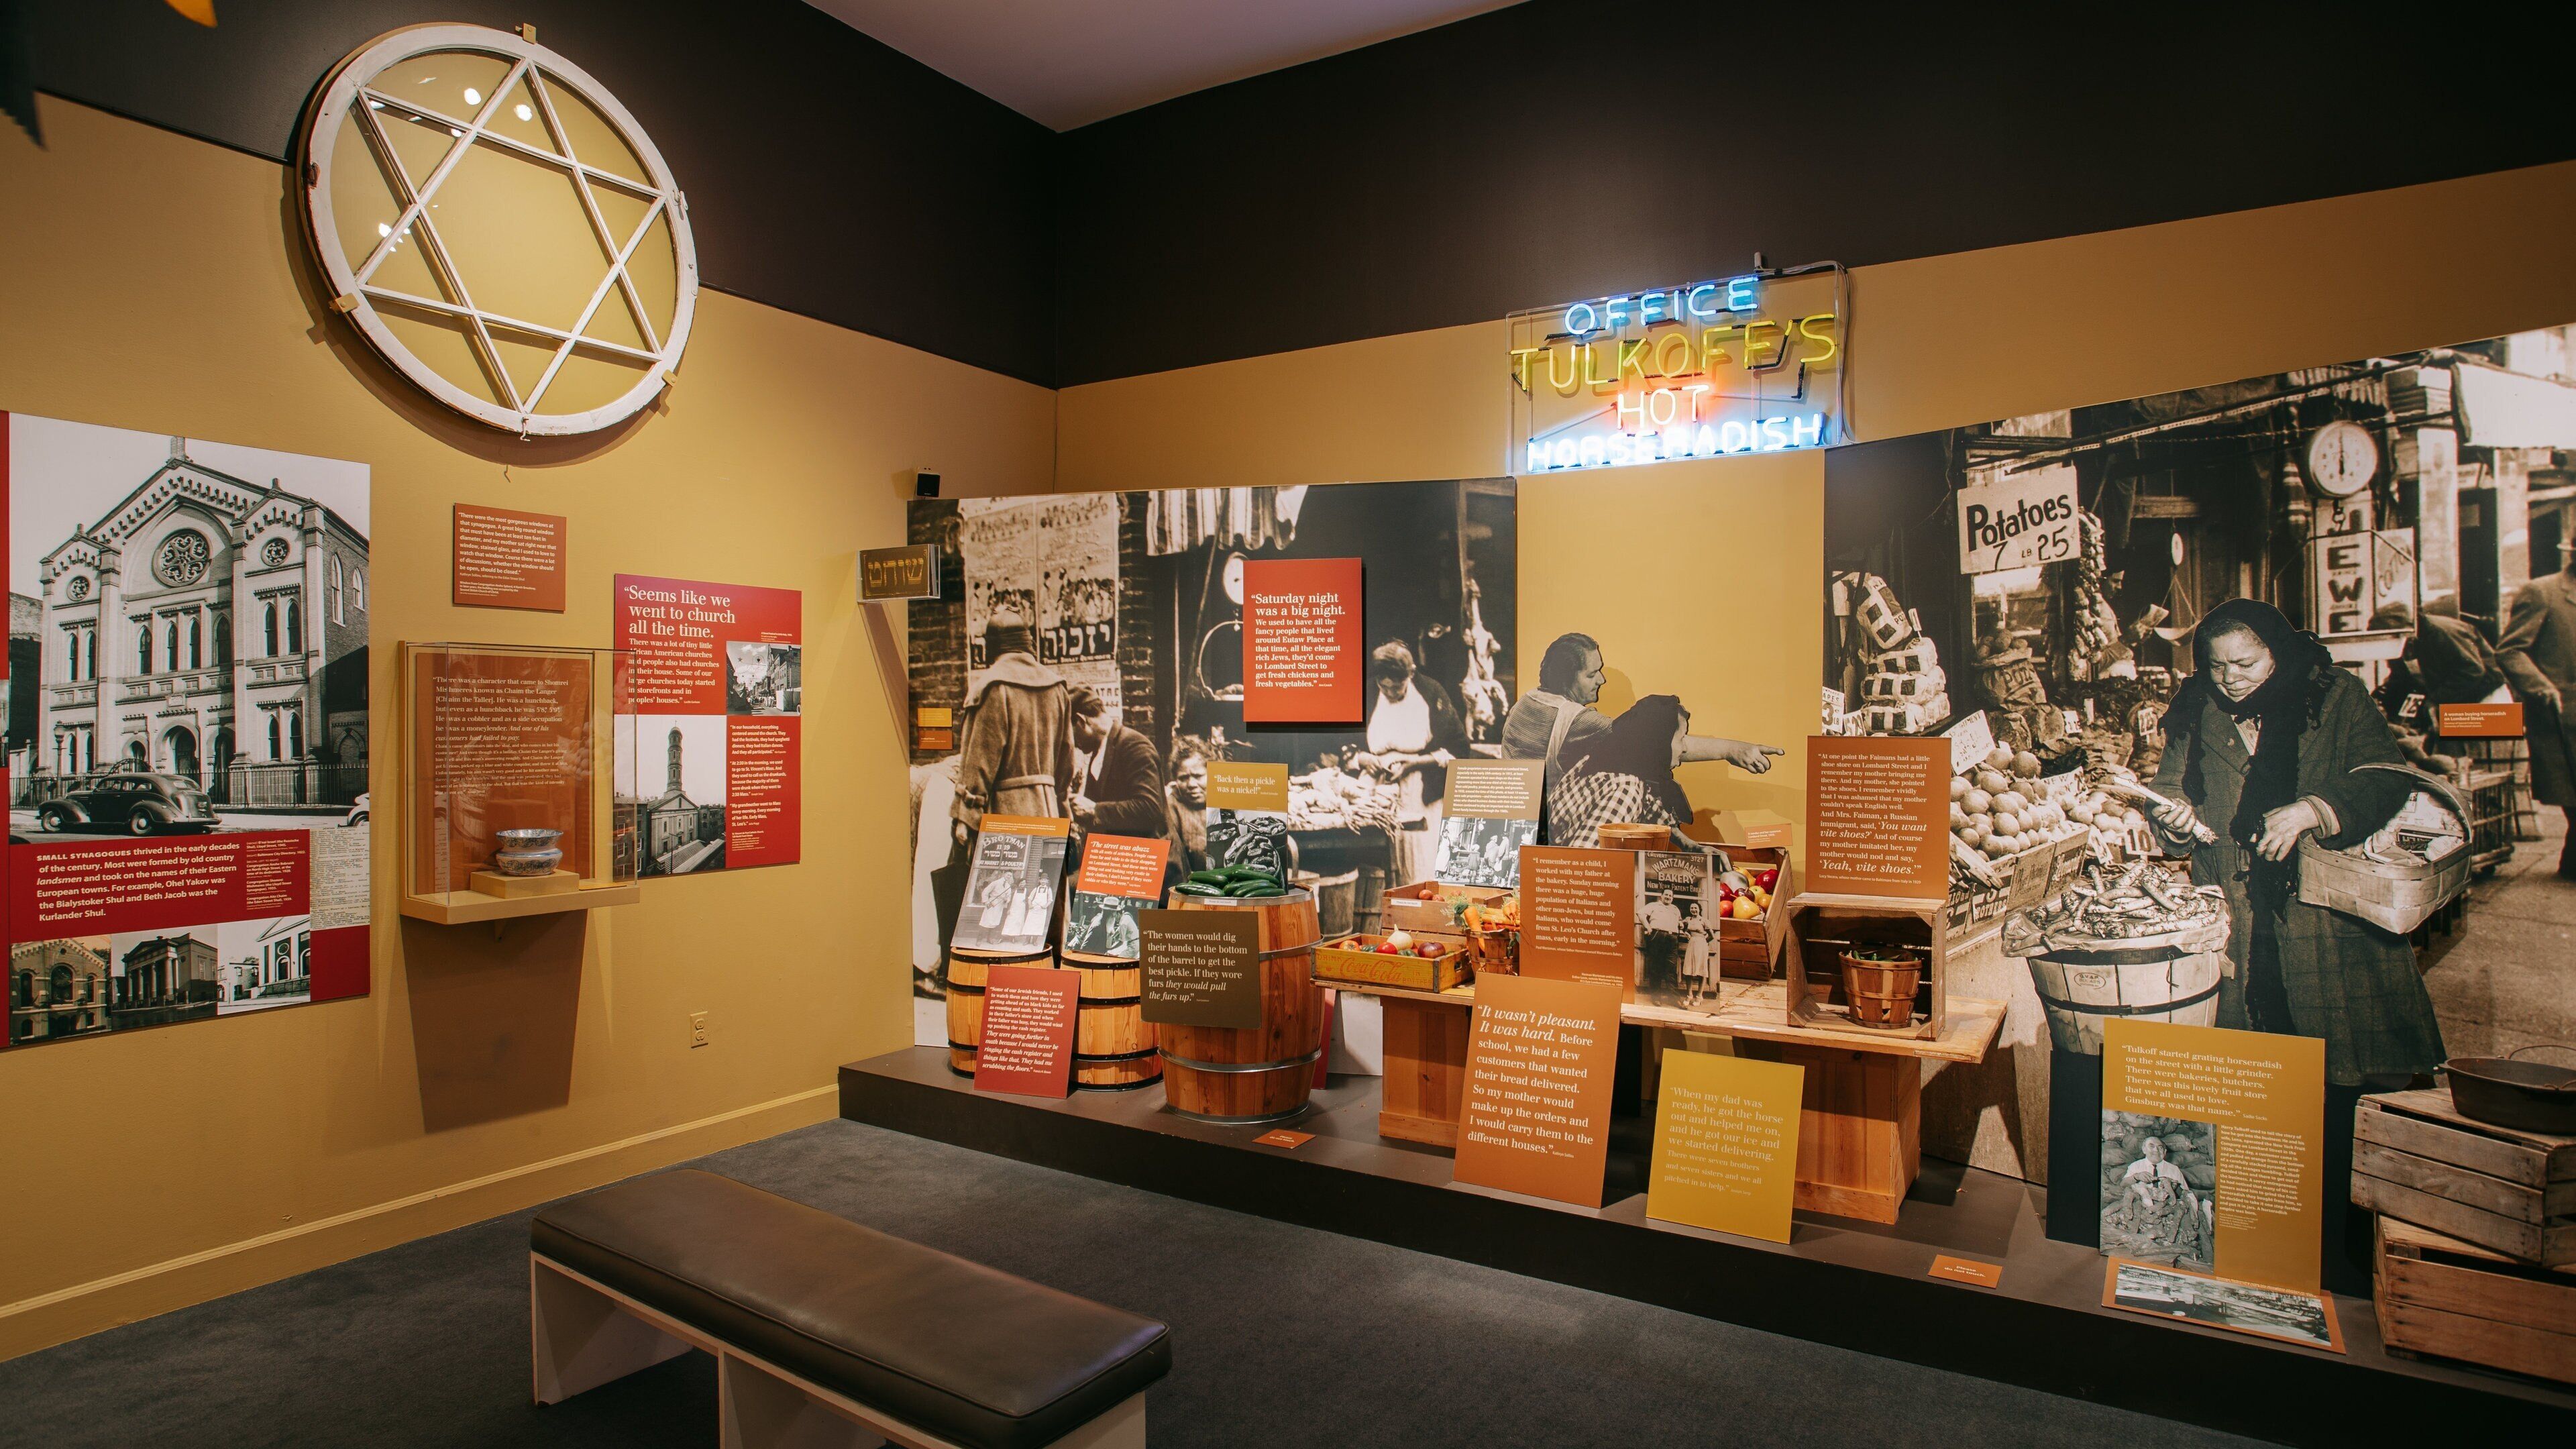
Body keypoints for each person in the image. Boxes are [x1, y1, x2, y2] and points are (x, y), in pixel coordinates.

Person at [2146, 598, 2446, 1084]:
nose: (2230, 678)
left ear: (2277, 651)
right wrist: (2173, 818)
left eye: (2245, 664)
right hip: (2234, 901)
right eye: (2217, 666)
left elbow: (2385, 776)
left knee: (2342, 1063)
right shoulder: (2196, 706)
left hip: (2324, 902)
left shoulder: (2332, 694)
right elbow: (2168, 786)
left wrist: (2314, 810)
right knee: (2253, 1073)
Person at [1503, 632, 1781, 796]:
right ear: (1567, 677)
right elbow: (1657, 743)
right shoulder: (1577, 721)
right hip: (1550, 838)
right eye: (1591, 674)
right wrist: (1733, 749)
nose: (1601, 680)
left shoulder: (1526, 702)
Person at [949, 606, 1075, 855]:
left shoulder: (992, 687)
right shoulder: (1057, 688)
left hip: (1004, 816)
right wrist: (1061, 806)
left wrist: (966, 816)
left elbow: (978, 760)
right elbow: (1067, 760)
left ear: (992, 646)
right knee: (1041, 879)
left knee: (1001, 880)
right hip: (1048, 811)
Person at [1360, 642, 1473, 883]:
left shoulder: (1431, 692)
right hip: (1376, 791)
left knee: (1420, 864)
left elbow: (1459, 748)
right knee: (1378, 871)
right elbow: (1341, 742)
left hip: (1421, 791)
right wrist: (1363, 758)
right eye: (1384, 687)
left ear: (1411, 674)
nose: (1390, 693)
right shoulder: (1367, 693)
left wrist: (1414, 763)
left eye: (1397, 687)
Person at [2497, 538, 2576, 877]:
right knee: (2571, 794)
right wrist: (2541, 686)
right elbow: (2510, 650)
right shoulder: (2543, 592)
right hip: (2562, 714)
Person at [1550, 695, 1705, 848]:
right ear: (1660, 743)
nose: (1685, 748)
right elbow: (1589, 859)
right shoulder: (1626, 788)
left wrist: (1687, 844)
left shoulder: (1604, 762)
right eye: (1681, 739)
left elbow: (1650, 808)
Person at [1067, 687, 1165, 848]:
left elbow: (1150, 808)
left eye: (1071, 735)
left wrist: (1094, 810)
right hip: (1120, 852)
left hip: (1147, 855)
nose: (1073, 744)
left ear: (1081, 721)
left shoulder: (1134, 745)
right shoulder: (1100, 749)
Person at [1163, 737, 1212, 883]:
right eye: (1183, 778)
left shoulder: (1225, 799)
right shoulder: (1171, 808)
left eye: (1198, 776)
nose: (1191, 784)